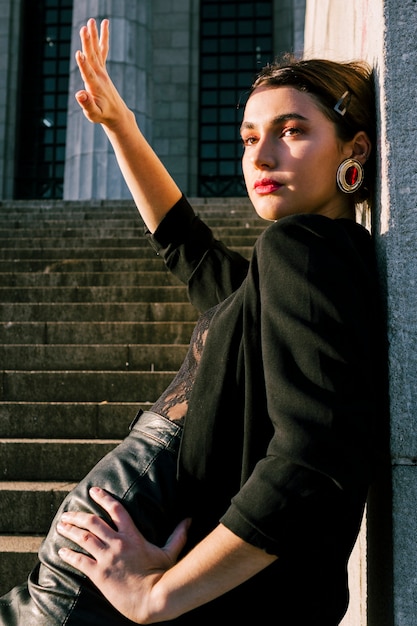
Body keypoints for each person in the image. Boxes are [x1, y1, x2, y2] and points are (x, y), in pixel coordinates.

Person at [0, 17, 384, 626]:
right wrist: (120, 126)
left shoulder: (301, 248)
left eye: (292, 131)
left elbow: (315, 456)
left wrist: (160, 594)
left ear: (354, 148)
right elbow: (186, 244)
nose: (261, 153)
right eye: (249, 136)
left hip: (117, 577)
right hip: (118, 562)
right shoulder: (297, 275)